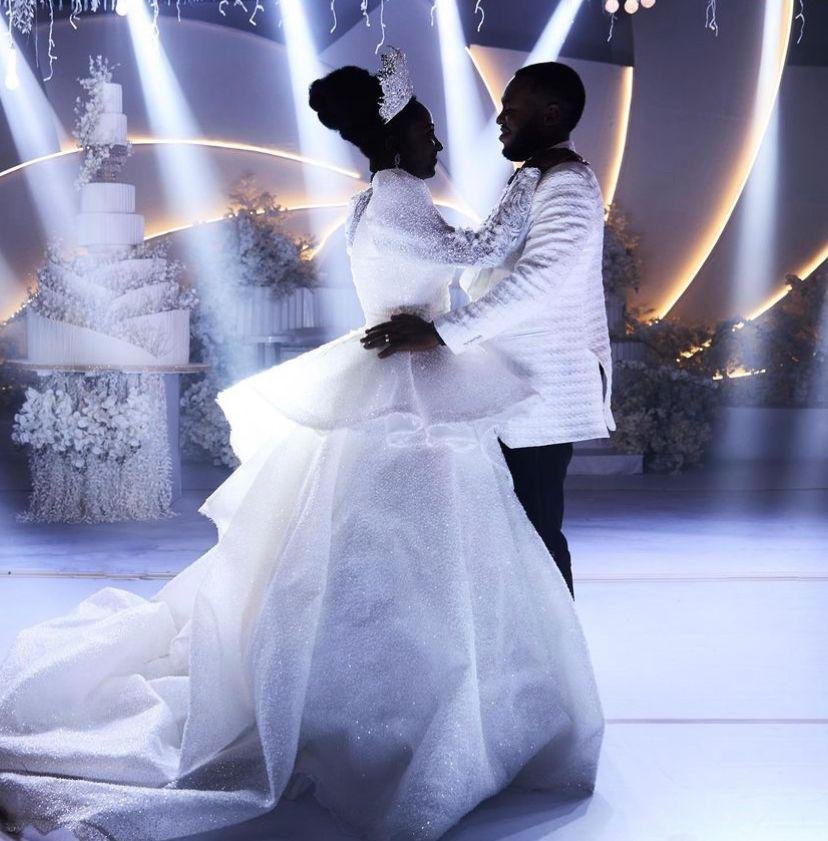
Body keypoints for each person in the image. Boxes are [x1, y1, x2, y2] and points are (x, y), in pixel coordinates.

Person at [0, 49, 603, 841]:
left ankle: (470, 698)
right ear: (398, 134)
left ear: (552, 116)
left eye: (512, 109)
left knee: (451, 546)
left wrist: (510, 216)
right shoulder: (404, 193)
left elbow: (514, 265)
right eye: (427, 127)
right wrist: (506, 217)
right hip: (417, 380)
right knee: (442, 550)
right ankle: (439, 706)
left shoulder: (432, 190)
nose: (452, 137)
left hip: (445, 378)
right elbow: (478, 254)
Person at [364, 62, 615, 598]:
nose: (500, 120)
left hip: (542, 392)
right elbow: (488, 263)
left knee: (536, 534)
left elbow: (538, 281)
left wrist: (441, 332)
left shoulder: (568, 183)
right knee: (512, 535)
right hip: (509, 384)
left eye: (511, 109)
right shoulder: (536, 176)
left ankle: (556, 649)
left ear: (551, 114)